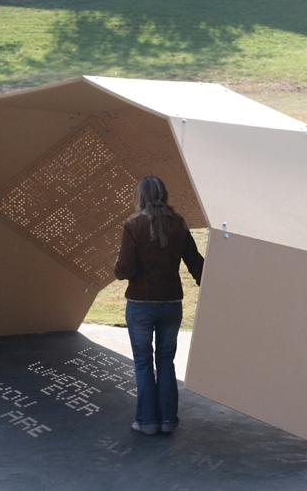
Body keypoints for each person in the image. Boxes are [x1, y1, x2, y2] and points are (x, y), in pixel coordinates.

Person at [114, 175, 204, 436]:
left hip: (140, 305)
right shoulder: (178, 224)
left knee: (143, 363)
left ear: (140, 196)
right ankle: (167, 421)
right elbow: (195, 263)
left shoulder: (133, 225)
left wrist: (117, 266)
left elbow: (125, 270)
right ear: (164, 195)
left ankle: (146, 422)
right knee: (166, 362)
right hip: (171, 303)